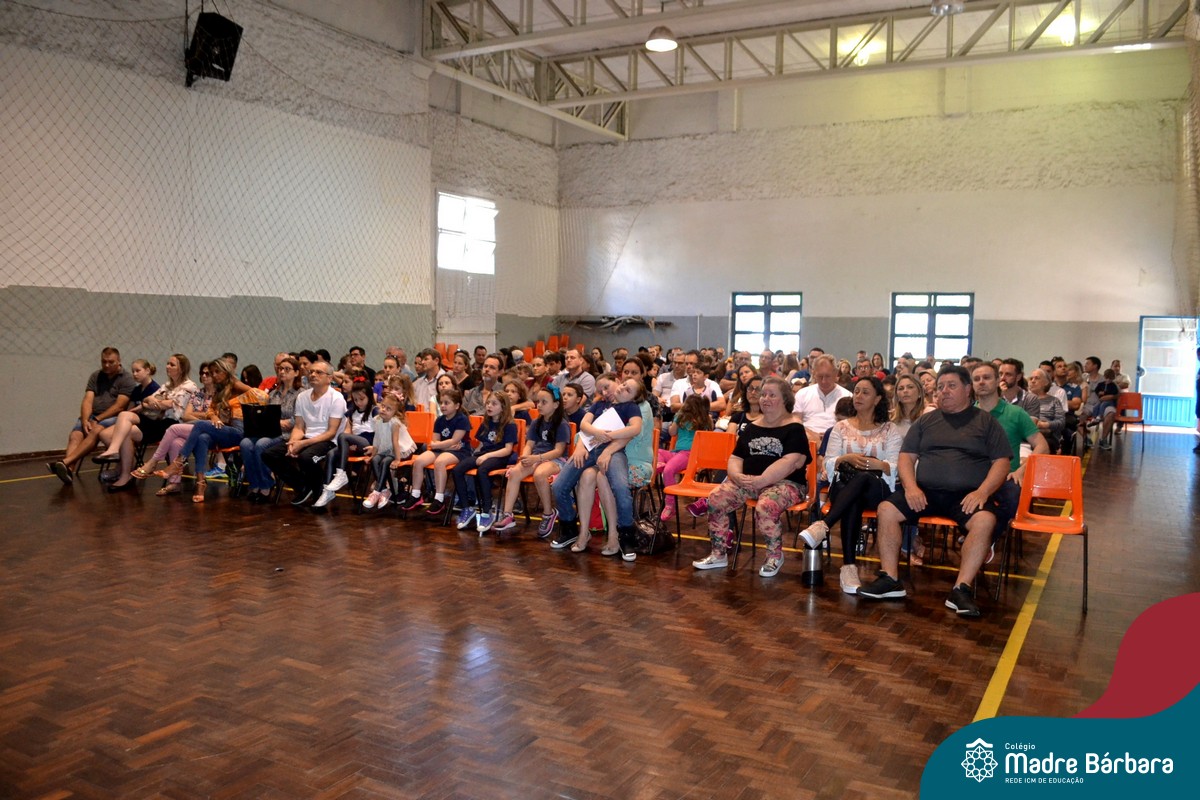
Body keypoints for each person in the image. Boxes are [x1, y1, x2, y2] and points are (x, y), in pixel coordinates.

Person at [858, 365, 1013, 618]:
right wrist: (911, 487)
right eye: (940, 387)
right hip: (925, 492)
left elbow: (1002, 463)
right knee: (886, 509)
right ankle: (890, 579)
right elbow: (906, 457)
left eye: (951, 386)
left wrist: (983, 492)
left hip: (967, 495)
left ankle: (961, 589)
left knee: (985, 520)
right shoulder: (926, 421)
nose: (944, 391)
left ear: (967, 389)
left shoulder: (986, 422)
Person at [691, 376, 809, 577]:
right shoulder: (753, 427)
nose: (765, 398)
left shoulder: (795, 428)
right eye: (763, 394)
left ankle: (774, 556)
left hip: (786, 483)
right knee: (716, 498)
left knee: (766, 505)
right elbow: (736, 456)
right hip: (750, 481)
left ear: (785, 400)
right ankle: (719, 554)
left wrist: (762, 480)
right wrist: (736, 475)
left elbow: (791, 462)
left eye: (772, 395)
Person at [799, 377, 902, 594]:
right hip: (845, 487)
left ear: (878, 399)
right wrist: (845, 459)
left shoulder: (889, 429)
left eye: (865, 392)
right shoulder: (841, 427)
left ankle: (824, 525)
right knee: (853, 498)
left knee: (863, 478)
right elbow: (828, 462)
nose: (858, 396)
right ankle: (848, 569)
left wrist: (876, 464)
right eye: (856, 391)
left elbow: (897, 466)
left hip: (877, 488)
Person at [548, 374, 642, 559]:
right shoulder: (599, 404)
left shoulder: (630, 407)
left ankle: (625, 536)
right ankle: (570, 528)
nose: (621, 389)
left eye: (628, 389)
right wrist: (595, 434)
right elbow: (584, 424)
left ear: (633, 397)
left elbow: (635, 429)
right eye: (623, 384)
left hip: (613, 452)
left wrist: (608, 436)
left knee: (621, 488)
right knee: (558, 486)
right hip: (589, 448)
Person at [159, 358, 249, 503]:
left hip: (238, 431)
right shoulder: (219, 390)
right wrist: (213, 416)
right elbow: (210, 410)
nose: (213, 375)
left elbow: (262, 396)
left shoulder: (236, 386)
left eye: (216, 372)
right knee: (202, 437)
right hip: (222, 431)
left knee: (200, 425)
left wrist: (241, 396)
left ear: (226, 372)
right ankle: (200, 482)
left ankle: (178, 462)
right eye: (211, 372)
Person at [262, 361, 347, 507]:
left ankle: (319, 492)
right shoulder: (302, 397)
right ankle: (303, 486)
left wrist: (302, 444)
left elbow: (331, 432)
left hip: (329, 441)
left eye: (318, 372)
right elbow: (299, 427)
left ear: (329, 378)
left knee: (306, 457)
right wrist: (293, 443)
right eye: (311, 372)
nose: (313, 375)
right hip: (307, 438)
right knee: (270, 454)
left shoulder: (336, 398)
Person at [49, 347, 138, 484]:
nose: (106, 365)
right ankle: (68, 470)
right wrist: (85, 420)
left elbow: (119, 406)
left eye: (111, 362)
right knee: (75, 435)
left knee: (95, 431)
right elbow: (88, 400)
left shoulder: (126, 379)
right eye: (104, 362)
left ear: (119, 361)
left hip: (113, 417)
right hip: (93, 416)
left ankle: (65, 462)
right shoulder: (96, 376)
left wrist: (98, 419)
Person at [493, 386, 571, 536]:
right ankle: (508, 514)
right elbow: (529, 444)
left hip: (555, 460)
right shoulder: (536, 422)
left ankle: (548, 513)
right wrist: (525, 457)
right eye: (538, 402)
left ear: (556, 405)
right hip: (536, 457)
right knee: (514, 472)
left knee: (540, 474)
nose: (539, 405)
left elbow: (558, 451)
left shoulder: (561, 424)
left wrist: (537, 458)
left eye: (544, 402)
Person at [453, 393, 518, 533]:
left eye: (494, 404)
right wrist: (468, 453)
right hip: (484, 454)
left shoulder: (510, 425)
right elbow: (480, 445)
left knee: (482, 470)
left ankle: (487, 512)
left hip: (500, 456)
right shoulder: (486, 423)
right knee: (458, 469)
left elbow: (507, 450)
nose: (489, 406)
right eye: (488, 403)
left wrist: (487, 456)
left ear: (503, 407)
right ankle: (467, 508)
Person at [400, 389, 471, 516]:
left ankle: (439, 498)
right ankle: (416, 494)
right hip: (444, 449)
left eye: (446, 403)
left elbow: (454, 440)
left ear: (457, 405)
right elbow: (435, 441)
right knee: (419, 461)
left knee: (440, 462)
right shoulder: (439, 420)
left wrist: (440, 445)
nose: (442, 406)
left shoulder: (462, 419)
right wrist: (443, 446)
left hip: (460, 452)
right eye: (441, 403)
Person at [241, 355, 301, 502]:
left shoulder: (301, 394)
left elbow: (298, 420)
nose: (282, 372)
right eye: (280, 369)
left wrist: (279, 422)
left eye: (287, 369)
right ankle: (255, 484)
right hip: (270, 430)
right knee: (245, 443)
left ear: (296, 372)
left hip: (288, 434)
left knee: (261, 444)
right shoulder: (273, 393)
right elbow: (267, 414)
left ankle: (266, 484)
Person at [314, 383, 377, 508]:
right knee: (331, 453)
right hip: (355, 441)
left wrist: (375, 446)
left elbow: (380, 431)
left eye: (362, 399)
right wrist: (350, 442)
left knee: (342, 436)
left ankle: (341, 473)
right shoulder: (352, 412)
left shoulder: (374, 411)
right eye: (356, 400)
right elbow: (348, 430)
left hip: (368, 443)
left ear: (369, 397)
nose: (358, 403)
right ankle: (327, 490)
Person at [659, 395, 713, 521]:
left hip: (690, 455)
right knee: (658, 452)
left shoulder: (704, 419)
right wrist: (676, 419)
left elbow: (707, 438)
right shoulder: (681, 417)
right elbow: (672, 433)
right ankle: (661, 465)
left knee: (668, 470)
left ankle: (670, 505)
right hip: (676, 453)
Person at [360, 394, 416, 510]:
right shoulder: (378, 420)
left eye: (388, 409)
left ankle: (377, 491)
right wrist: (373, 455)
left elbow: (395, 442)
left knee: (385, 461)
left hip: (400, 450)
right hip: (387, 449)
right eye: (383, 406)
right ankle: (384, 490)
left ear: (395, 412)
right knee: (375, 460)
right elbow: (377, 439)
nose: (384, 410)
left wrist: (397, 459)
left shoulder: (394, 423)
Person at [793, 354, 852, 444]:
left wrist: (830, 435)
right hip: (807, 439)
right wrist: (814, 436)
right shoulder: (802, 394)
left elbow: (852, 424)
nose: (824, 381)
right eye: (820, 376)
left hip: (838, 439)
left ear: (836, 373)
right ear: (814, 374)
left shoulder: (847, 396)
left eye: (828, 376)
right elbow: (796, 421)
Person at [1027, 368, 1066, 454]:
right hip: (1026, 434)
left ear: (1046, 382)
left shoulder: (1054, 401)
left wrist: (1044, 425)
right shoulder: (1025, 400)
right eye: (1031, 378)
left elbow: (1061, 422)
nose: (1033, 381)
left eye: (1037, 378)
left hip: (1048, 436)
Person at [889, 374, 932, 438]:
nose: (905, 391)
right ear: (897, 395)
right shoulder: (890, 417)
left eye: (910, 387)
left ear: (920, 392)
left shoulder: (929, 414)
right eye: (901, 388)